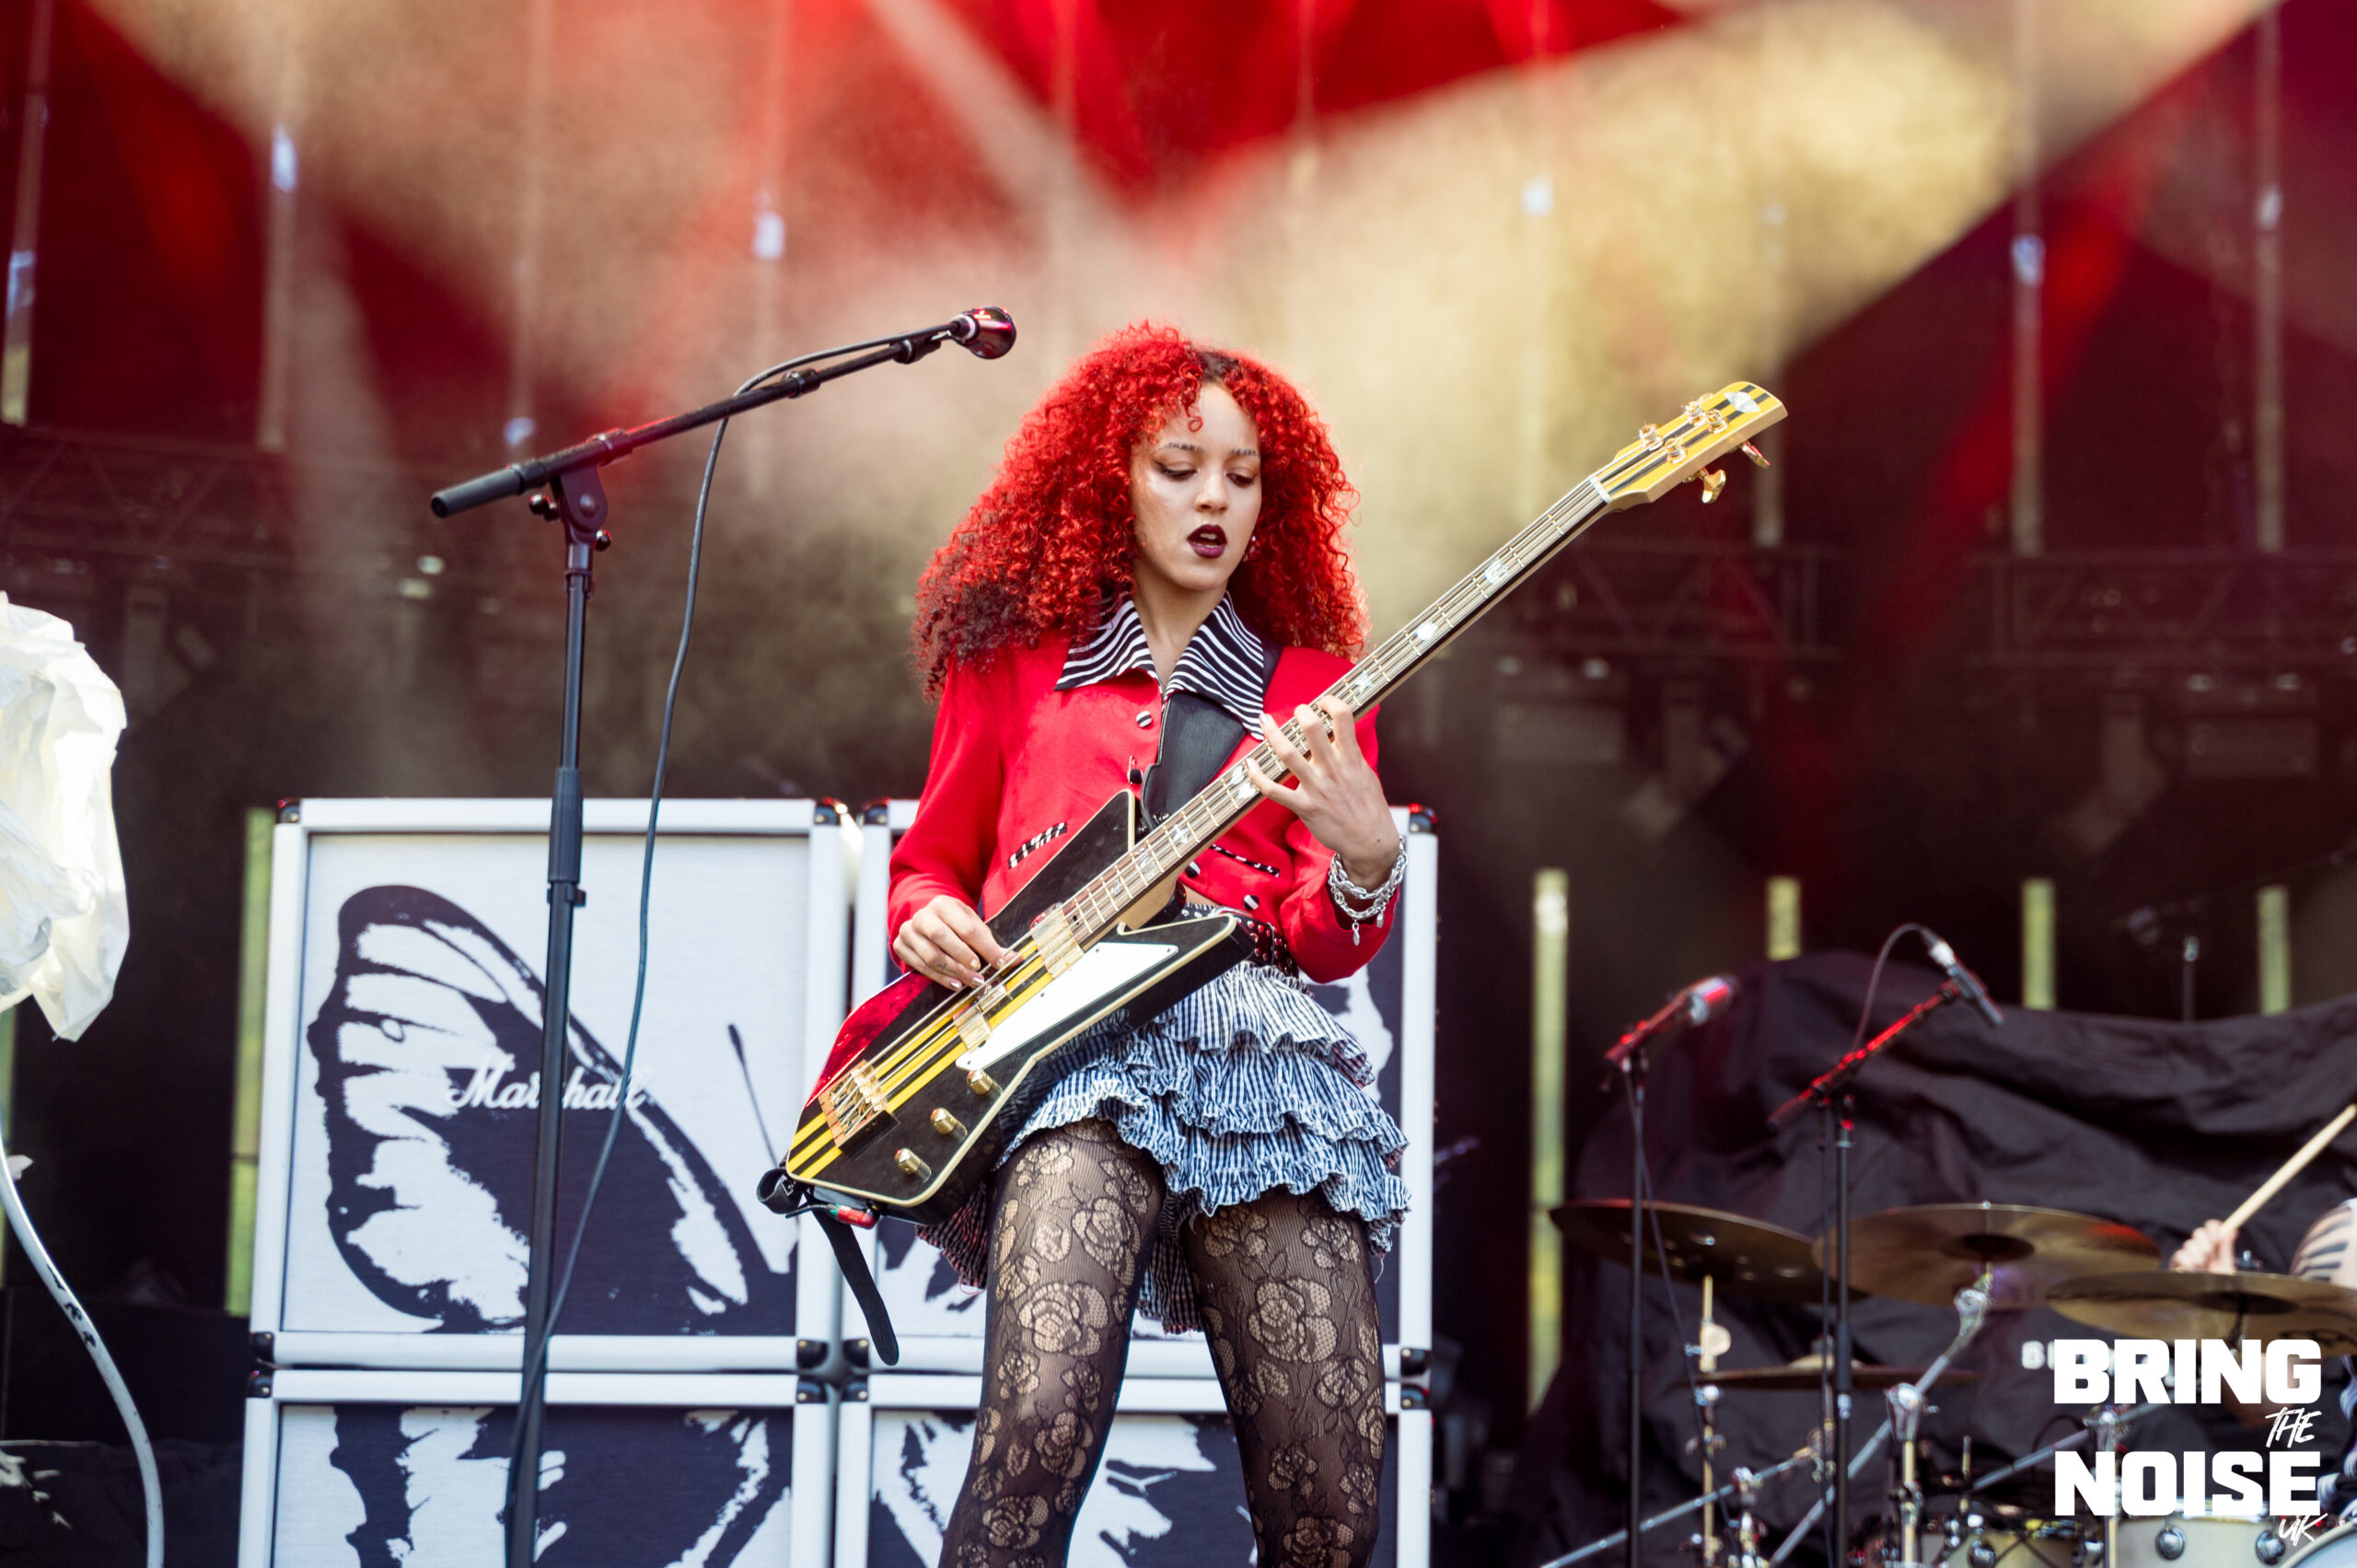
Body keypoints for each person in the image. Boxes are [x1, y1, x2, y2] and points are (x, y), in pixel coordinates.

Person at [888, 322, 1412, 1568]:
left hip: (1255, 1065)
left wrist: (1365, 861)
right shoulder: (1009, 668)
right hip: (1066, 1053)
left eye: (1243, 475)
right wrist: (924, 916)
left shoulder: (1316, 690)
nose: (1214, 498)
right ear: (1109, 480)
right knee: (1034, 1435)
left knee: (1331, 1506)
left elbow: (1320, 942)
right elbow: (930, 862)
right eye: (1180, 468)